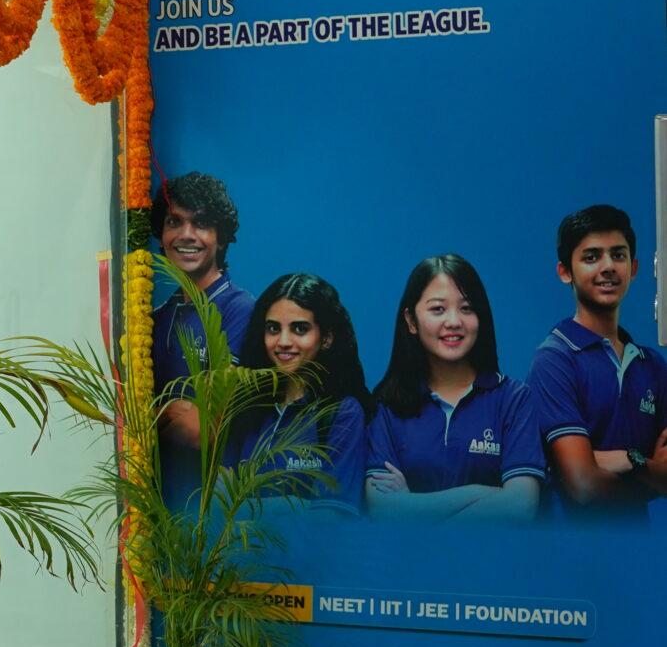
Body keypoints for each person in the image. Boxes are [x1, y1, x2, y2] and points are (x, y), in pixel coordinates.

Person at [365, 254, 542, 523]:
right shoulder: (386, 406)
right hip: (408, 553)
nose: (454, 321)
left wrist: (412, 506)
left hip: (490, 552)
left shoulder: (513, 399)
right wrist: (482, 493)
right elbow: (383, 509)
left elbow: (520, 507)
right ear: (411, 321)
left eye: (467, 308)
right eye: (438, 309)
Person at [527, 204, 667, 520]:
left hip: (638, 546)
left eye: (618, 255)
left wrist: (624, 460)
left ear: (633, 267)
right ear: (565, 272)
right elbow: (583, 485)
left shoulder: (653, 366)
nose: (607, 267)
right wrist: (645, 467)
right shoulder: (555, 360)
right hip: (574, 545)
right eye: (591, 257)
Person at [150, 172, 254, 503]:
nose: (186, 235)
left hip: (213, 511)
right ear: (161, 236)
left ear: (221, 239)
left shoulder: (241, 311)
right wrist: (171, 412)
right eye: (174, 222)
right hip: (156, 504)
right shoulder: (156, 319)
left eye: (201, 224)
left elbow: (202, 430)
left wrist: (151, 415)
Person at [226, 273, 369, 509]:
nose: (283, 341)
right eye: (273, 328)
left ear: (327, 338)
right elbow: (217, 503)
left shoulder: (342, 413)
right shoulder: (248, 406)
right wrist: (299, 505)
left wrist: (246, 507)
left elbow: (334, 516)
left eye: (300, 329)